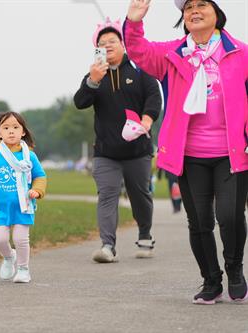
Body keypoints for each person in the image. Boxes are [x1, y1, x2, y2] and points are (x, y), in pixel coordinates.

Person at [125, 0, 248, 304]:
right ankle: (211, 281)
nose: (193, 10)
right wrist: (134, 21)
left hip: (232, 152)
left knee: (230, 217)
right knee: (200, 222)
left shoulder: (241, 53)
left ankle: (234, 269)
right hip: (189, 154)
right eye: (187, 6)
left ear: (216, 13)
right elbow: (139, 52)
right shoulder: (172, 54)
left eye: (201, 4)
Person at [73, 17, 162, 263]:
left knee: (140, 195)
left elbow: (154, 97)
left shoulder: (140, 71)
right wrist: (93, 81)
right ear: (97, 49)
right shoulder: (94, 75)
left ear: (123, 44)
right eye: (103, 43)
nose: (108, 45)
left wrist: (147, 119)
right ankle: (107, 246)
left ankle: (145, 233)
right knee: (107, 195)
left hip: (137, 150)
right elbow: (80, 102)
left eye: (113, 41)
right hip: (105, 153)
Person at [0, 111, 47, 283]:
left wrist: (37, 190)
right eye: (6, 128)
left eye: (15, 127)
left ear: (23, 132)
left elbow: (40, 176)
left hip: (23, 204)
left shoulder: (29, 155)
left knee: (20, 239)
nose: (11, 131)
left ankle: (23, 269)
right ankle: (8, 257)